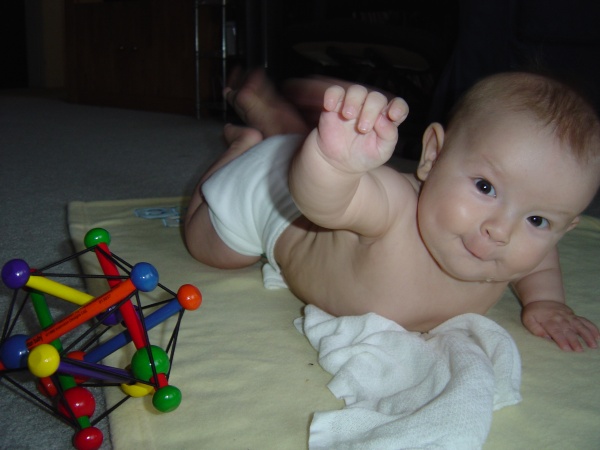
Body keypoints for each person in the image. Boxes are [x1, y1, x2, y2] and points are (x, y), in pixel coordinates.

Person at [184, 70, 600, 352]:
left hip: (308, 165)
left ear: (565, 227)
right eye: (485, 187)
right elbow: (326, 202)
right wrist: (332, 163)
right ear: (432, 156)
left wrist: (546, 301)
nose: (501, 230)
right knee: (213, 250)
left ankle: (279, 125)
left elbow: (542, 259)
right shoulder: (394, 206)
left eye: (537, 220)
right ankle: (241, 150)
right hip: (275, 198)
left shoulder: (518, 248)